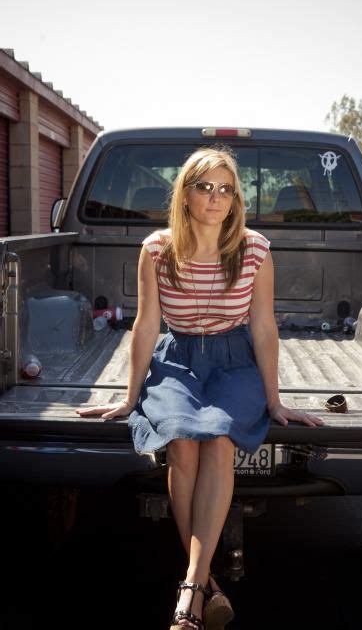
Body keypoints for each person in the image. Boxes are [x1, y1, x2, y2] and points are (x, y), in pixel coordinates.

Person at [76, 146, 324, 630]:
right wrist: (130, 397)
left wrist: (275, 400)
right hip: (178, 359)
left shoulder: (254, 249)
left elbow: (264, 328)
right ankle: (205, 583)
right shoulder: (156, 249)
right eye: (204, 187)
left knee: (219, 440)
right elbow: (147, 326)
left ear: (235, 200)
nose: (215, 198)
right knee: (183, 444)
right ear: (185, 194)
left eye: (225, 189)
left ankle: (190, 583)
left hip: (234, 363)